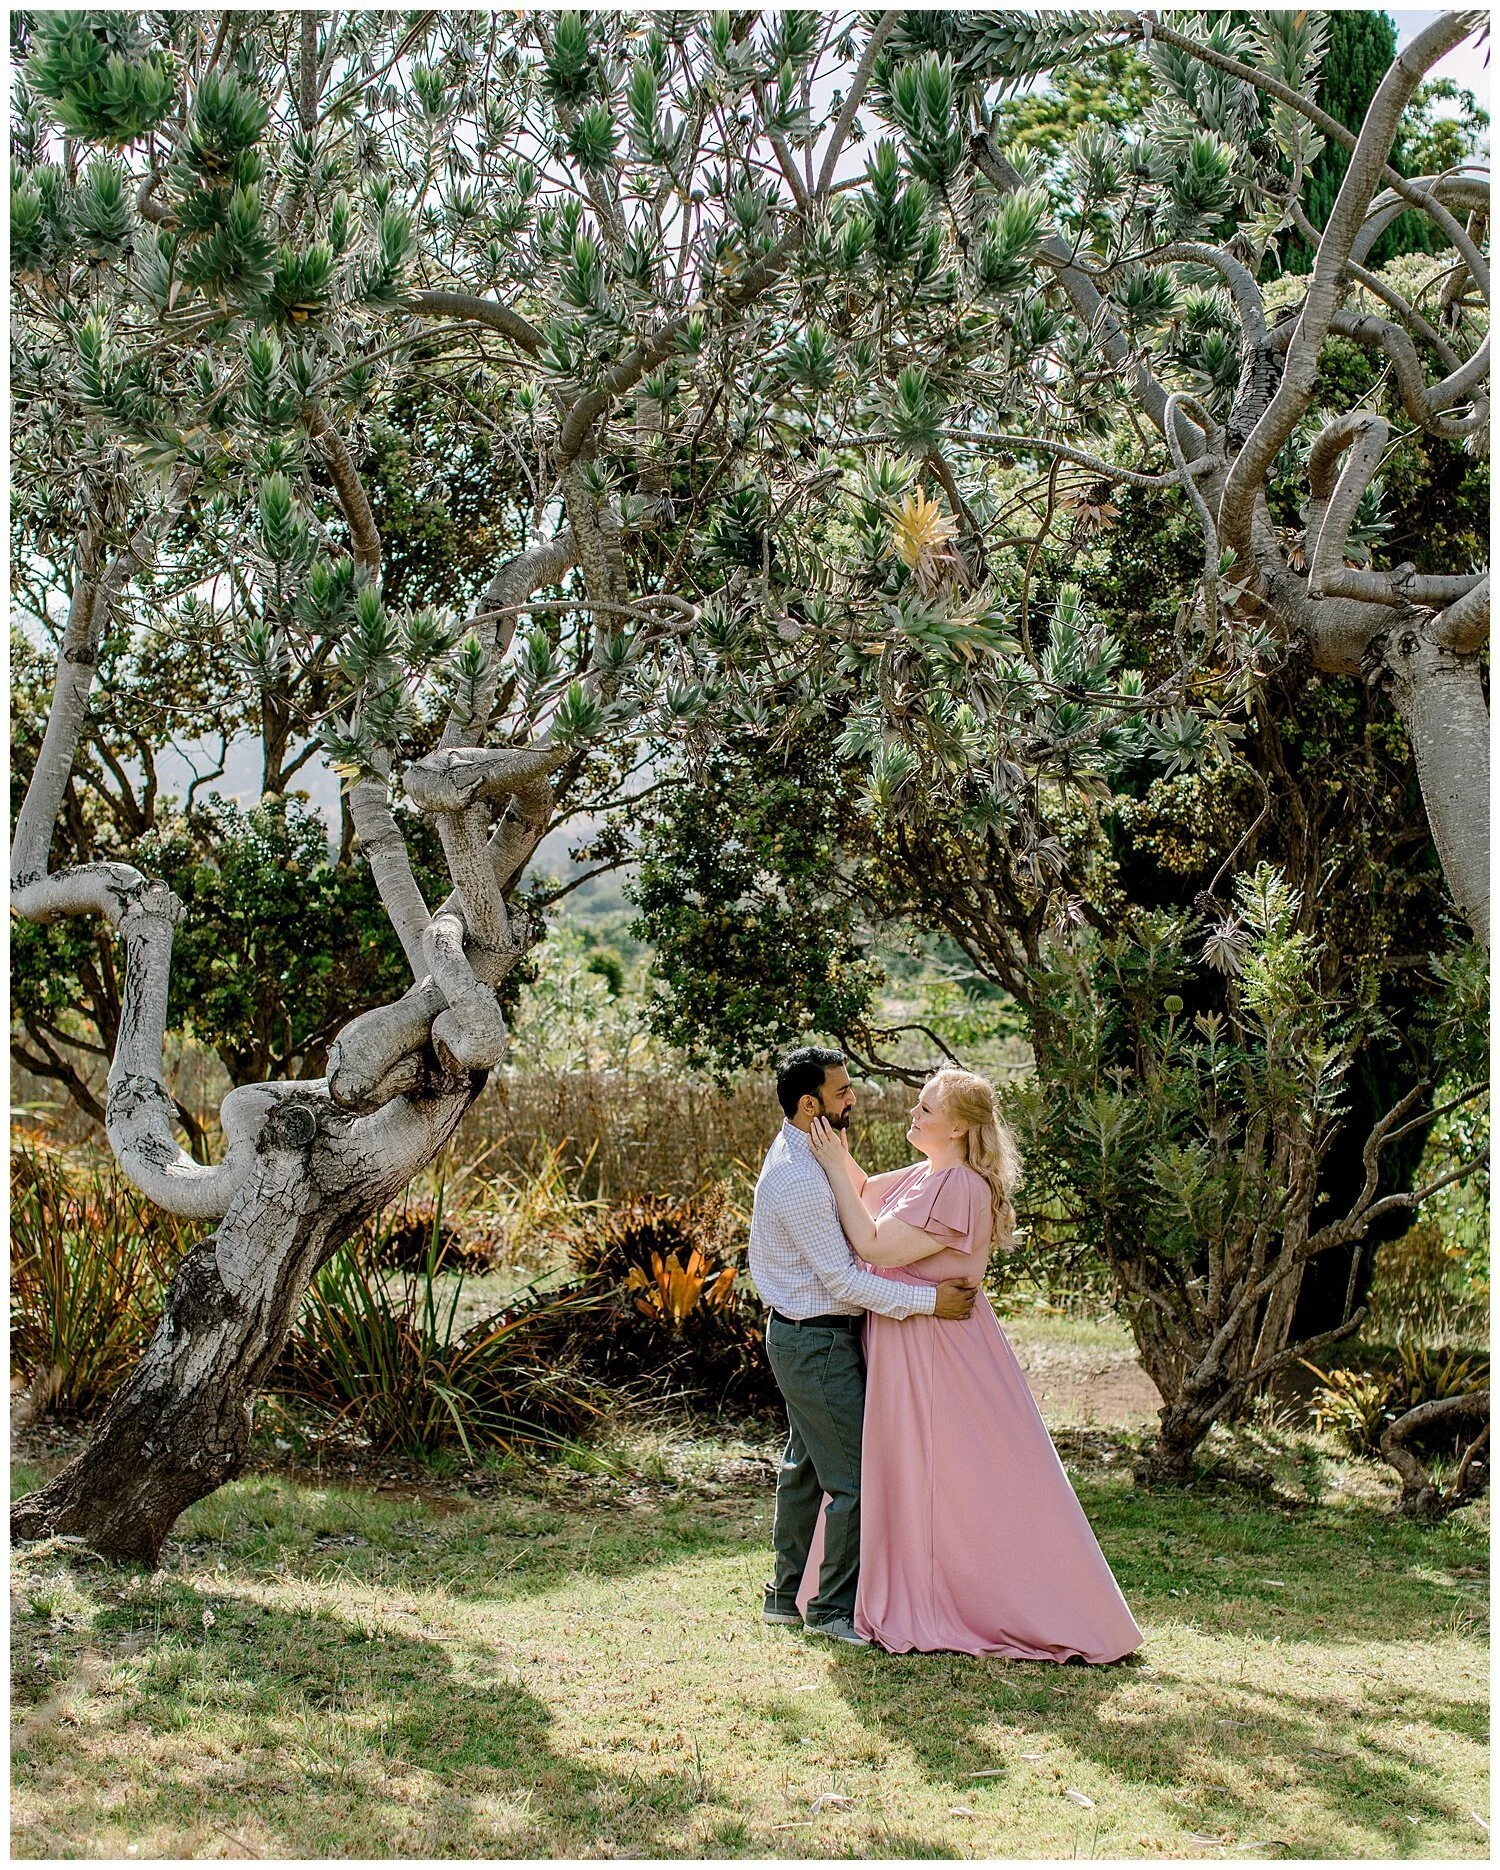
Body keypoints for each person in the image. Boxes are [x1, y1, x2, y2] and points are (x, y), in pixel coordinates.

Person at [806, 1065, 1142, 1663]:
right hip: (909, 1341)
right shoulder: (926, 1175)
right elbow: (862, 1198)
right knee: (917, 1472)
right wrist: (832, 1148)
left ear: (959, 1127)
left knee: (952, 1479)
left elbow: (876, 1245)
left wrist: (832, 1165)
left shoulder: (959, 1186)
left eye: (927, 1109)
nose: (914, 1115)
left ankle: (986, 1598)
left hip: (938, 1353)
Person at [748, 1047, 980, 1647]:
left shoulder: (812, 1156)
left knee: (804, 1469)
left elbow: (865, 1204)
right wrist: (933, 1304)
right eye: (842, 1091)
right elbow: (847, 1278)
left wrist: (843, 1161)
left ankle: (783, 1596)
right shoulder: (799, 1178)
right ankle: (830, 1611)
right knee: (854, 1478)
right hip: (816, 1340)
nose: (853, 1098)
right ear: (810, 1104)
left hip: (809, 1337)